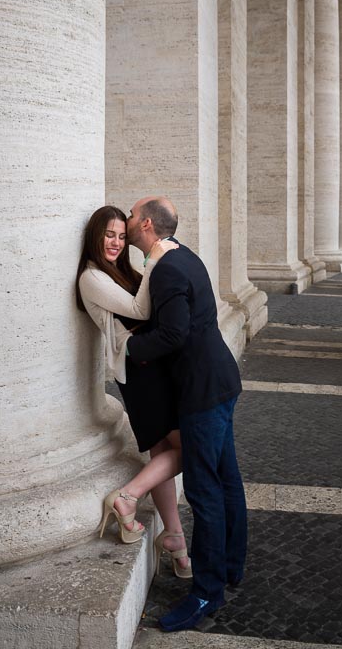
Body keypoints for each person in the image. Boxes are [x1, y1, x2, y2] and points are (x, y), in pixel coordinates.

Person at [125, 196, 247, 632]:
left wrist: (128, 348)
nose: (126, 220)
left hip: (201, 391)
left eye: (131, 216)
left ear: (147, 225)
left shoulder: (169, 269)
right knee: (227, 480)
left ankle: (206, 592)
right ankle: (232, 567)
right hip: (220, 380)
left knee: (204, 490)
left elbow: (174, 333)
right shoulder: (181, 255)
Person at [76, 205, 191, 578]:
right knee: (189, 448)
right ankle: (126, 498)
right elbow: (142, 310)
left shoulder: (123, 271)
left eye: (122, 236)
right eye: (109, 234)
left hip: (152, 369)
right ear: (95, 236)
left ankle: (175, 539)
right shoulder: (91, 278)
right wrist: (156, 255)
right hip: (140, 374)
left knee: (163, 451)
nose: (116, 242)